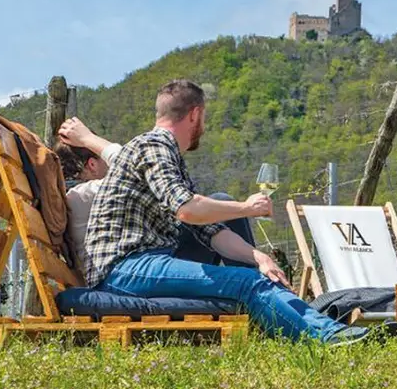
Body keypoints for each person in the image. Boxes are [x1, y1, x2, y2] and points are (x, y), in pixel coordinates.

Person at [84, 79, 397, 345]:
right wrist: (247, 207)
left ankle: (325, 329)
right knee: (246, 282)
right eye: (204, 119)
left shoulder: (164, 154)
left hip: (141, 264)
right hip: (125, 269)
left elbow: (208, 229)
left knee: (251, 275)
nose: (203, 126)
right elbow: (187, 210)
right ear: (195, 114)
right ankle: (331, 338)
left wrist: (258, 257)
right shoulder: (154, 146)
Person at [53, 117, 257, 280]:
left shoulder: (76, 197)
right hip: (141, 270)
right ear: (92, 164)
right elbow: (130, 158)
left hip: (134, 266)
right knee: (220, 203)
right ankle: (259, 286)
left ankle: (256, 280)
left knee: (211, 212)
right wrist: (87, 138)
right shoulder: (88, 193)